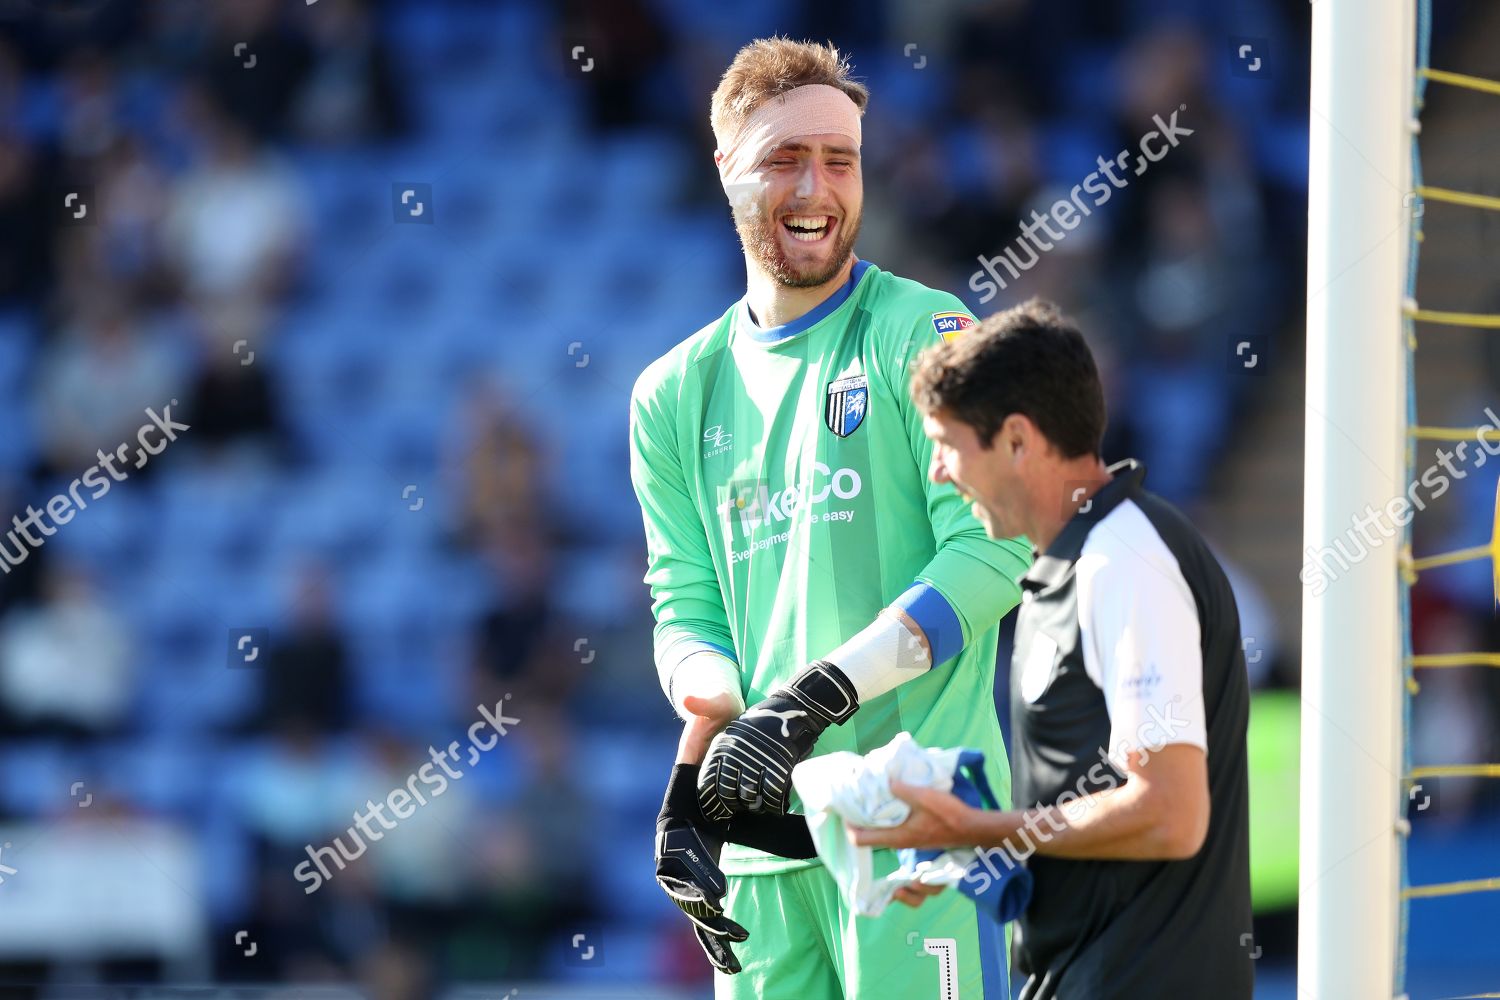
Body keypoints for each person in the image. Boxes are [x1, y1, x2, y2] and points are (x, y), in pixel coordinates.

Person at [628, 36, 1032, 1000]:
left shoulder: (925, 332)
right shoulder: (670, 396)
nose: (817, 188)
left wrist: (816, 697)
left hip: (917, 824)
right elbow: (686, 611)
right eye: (784, 159)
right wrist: (692, 782)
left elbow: (993, 551)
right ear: (725, 168)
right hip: (765, 853)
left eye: (839, 159)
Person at [853, 299, 1253, 999]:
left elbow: (1169, 813)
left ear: (1015, 440)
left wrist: (983, 827)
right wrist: (971, 845)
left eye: (947, 444)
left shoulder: (1123, 559)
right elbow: (1089, 815)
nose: (940, 472)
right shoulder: (1070, 562)